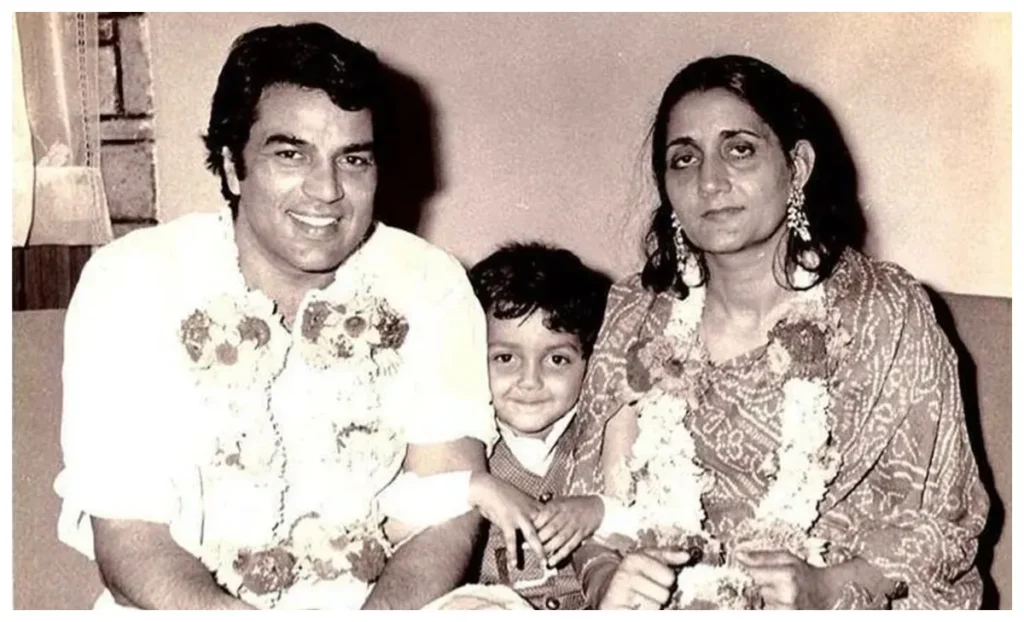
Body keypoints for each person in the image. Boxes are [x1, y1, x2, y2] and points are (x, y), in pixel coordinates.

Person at [54, 22, 498, 610]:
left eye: (353, 160)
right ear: (231, 166)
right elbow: (130, 535)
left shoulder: (427, 282)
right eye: (291, 154)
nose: (327, 190)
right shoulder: (131, 281)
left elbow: (444, 509)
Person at [561, 54, 989, 610]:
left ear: (798, 166)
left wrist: (826, 588)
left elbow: (944, 523)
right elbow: (594, 507)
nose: (709, 181)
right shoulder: (635, 314)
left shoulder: (885, 311)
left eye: (739, 149)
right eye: (684, 159)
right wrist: (607, 585)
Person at [466, 241, 612, 610]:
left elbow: (657, 514)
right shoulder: (464, 442)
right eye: (505, 358)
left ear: (590, 362)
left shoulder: (605, 437)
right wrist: (475, 485)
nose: (530, 381)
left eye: (557, 359)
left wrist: (600, 510)